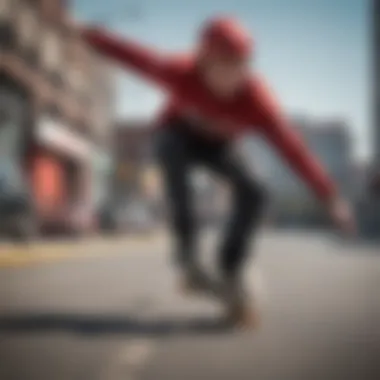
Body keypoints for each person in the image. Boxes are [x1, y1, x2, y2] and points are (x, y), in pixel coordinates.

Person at [81, 16, 356, 327]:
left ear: (247, 67)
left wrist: (330, 197)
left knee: (255, 189)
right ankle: (188, 255)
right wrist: (96, 38)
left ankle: (231, 265)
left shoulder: (257, 99)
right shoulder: (181, 71)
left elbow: (293, 149)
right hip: (177, 134)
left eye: (236, 69)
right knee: (171, 152)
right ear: (203, 62)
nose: (227, 81)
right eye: (219, 69)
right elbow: (139, 59)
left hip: (220, 147)